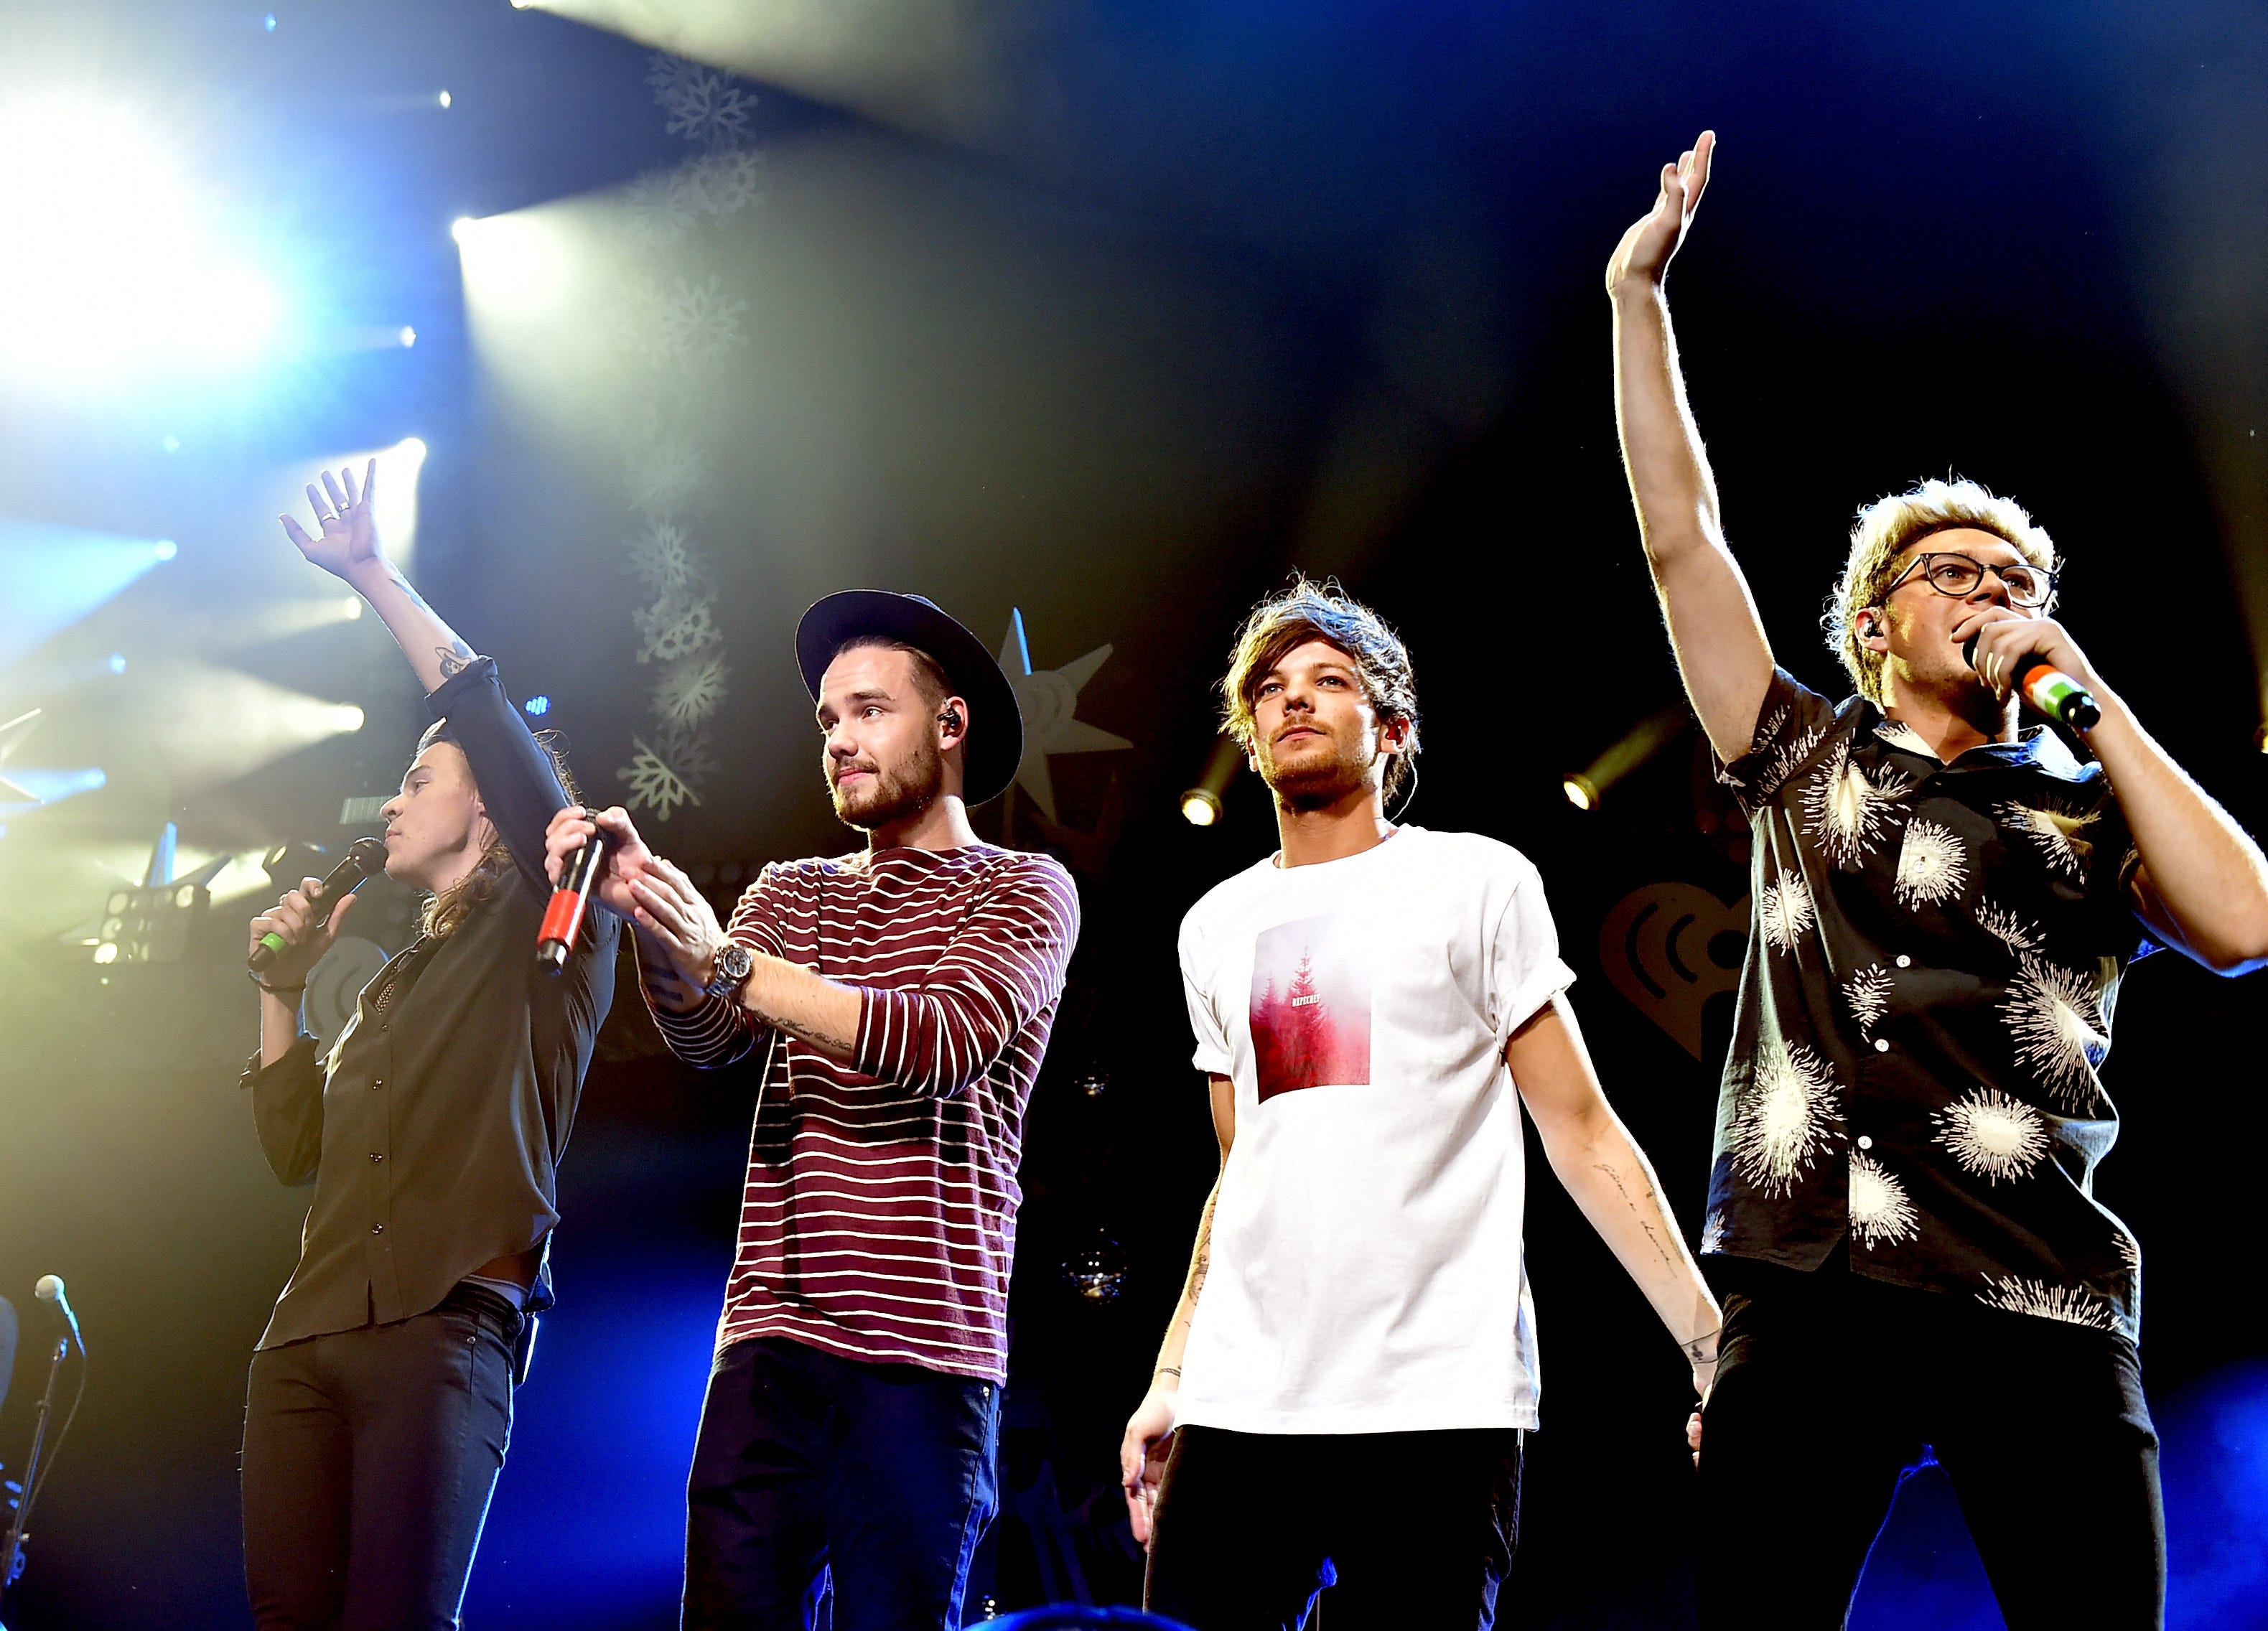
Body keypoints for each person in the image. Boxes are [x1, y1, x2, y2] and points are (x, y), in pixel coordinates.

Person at [1607, 133, 2268, 1630]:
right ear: (1870, 619)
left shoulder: (2091, 817)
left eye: (2014, 582)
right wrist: (1634, 297)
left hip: (2037, 1277)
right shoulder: (1796, 750)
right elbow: (1674, 540)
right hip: (1808, 1268)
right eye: (1952, 573)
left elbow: (2245, 922)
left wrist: (2084, 693)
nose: (1988, 596)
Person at [1116, 579, 1723, 1631]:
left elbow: (1581, 1130)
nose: (1293, 701)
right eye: (1269, 688)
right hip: (1241, 1404)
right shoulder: (1215, 925)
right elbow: (1240, 1177)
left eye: (1330, 681)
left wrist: (1713, 1350)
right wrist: (1172, 1375)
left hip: (1437, 1401)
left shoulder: (1475, 882)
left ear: (1392, 729)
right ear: (1247, 734)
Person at [542, 591, 1081, 1631]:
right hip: (768, 1347)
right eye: (828, 721)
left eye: (870, 711)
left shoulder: (1025, 888)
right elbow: (706, 1034)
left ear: (951, 726)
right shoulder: (793, 891)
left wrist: (726, 959)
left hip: (925, 1366)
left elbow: (938, 1041)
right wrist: (653, 913)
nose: (839, 740)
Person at [238, 462, 620, 1630]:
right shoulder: (392, 985)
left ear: (489, 811)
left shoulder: (551, 920)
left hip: (446, 1326)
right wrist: (282, 990)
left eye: (417, 779)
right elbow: (293, 1148)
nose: (392, 804)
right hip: (302, 1342)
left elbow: (486, 717)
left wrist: (371, 576)